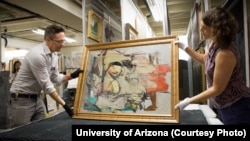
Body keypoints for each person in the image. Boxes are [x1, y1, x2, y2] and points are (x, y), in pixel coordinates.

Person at [175, 6, 250, 125]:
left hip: (236, 107)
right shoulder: (215, 44)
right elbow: (205, 59)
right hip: (224, 106)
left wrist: (189, 101)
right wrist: (185, 47)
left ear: (216, 29)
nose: (200, 30)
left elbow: (217, 89)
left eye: (204, 28)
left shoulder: (225, 53)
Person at [9, 24, 83, 128]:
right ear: (48, 40)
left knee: (41, 128)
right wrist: (65, 105)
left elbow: (55, 77)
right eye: (59, 41)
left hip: (36, 97)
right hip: (21, 99)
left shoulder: (54, 55)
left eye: (63, 41)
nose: (62, 44)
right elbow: (47, 86)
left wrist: (72, 75)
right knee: (20, 132)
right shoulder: (37, 55)